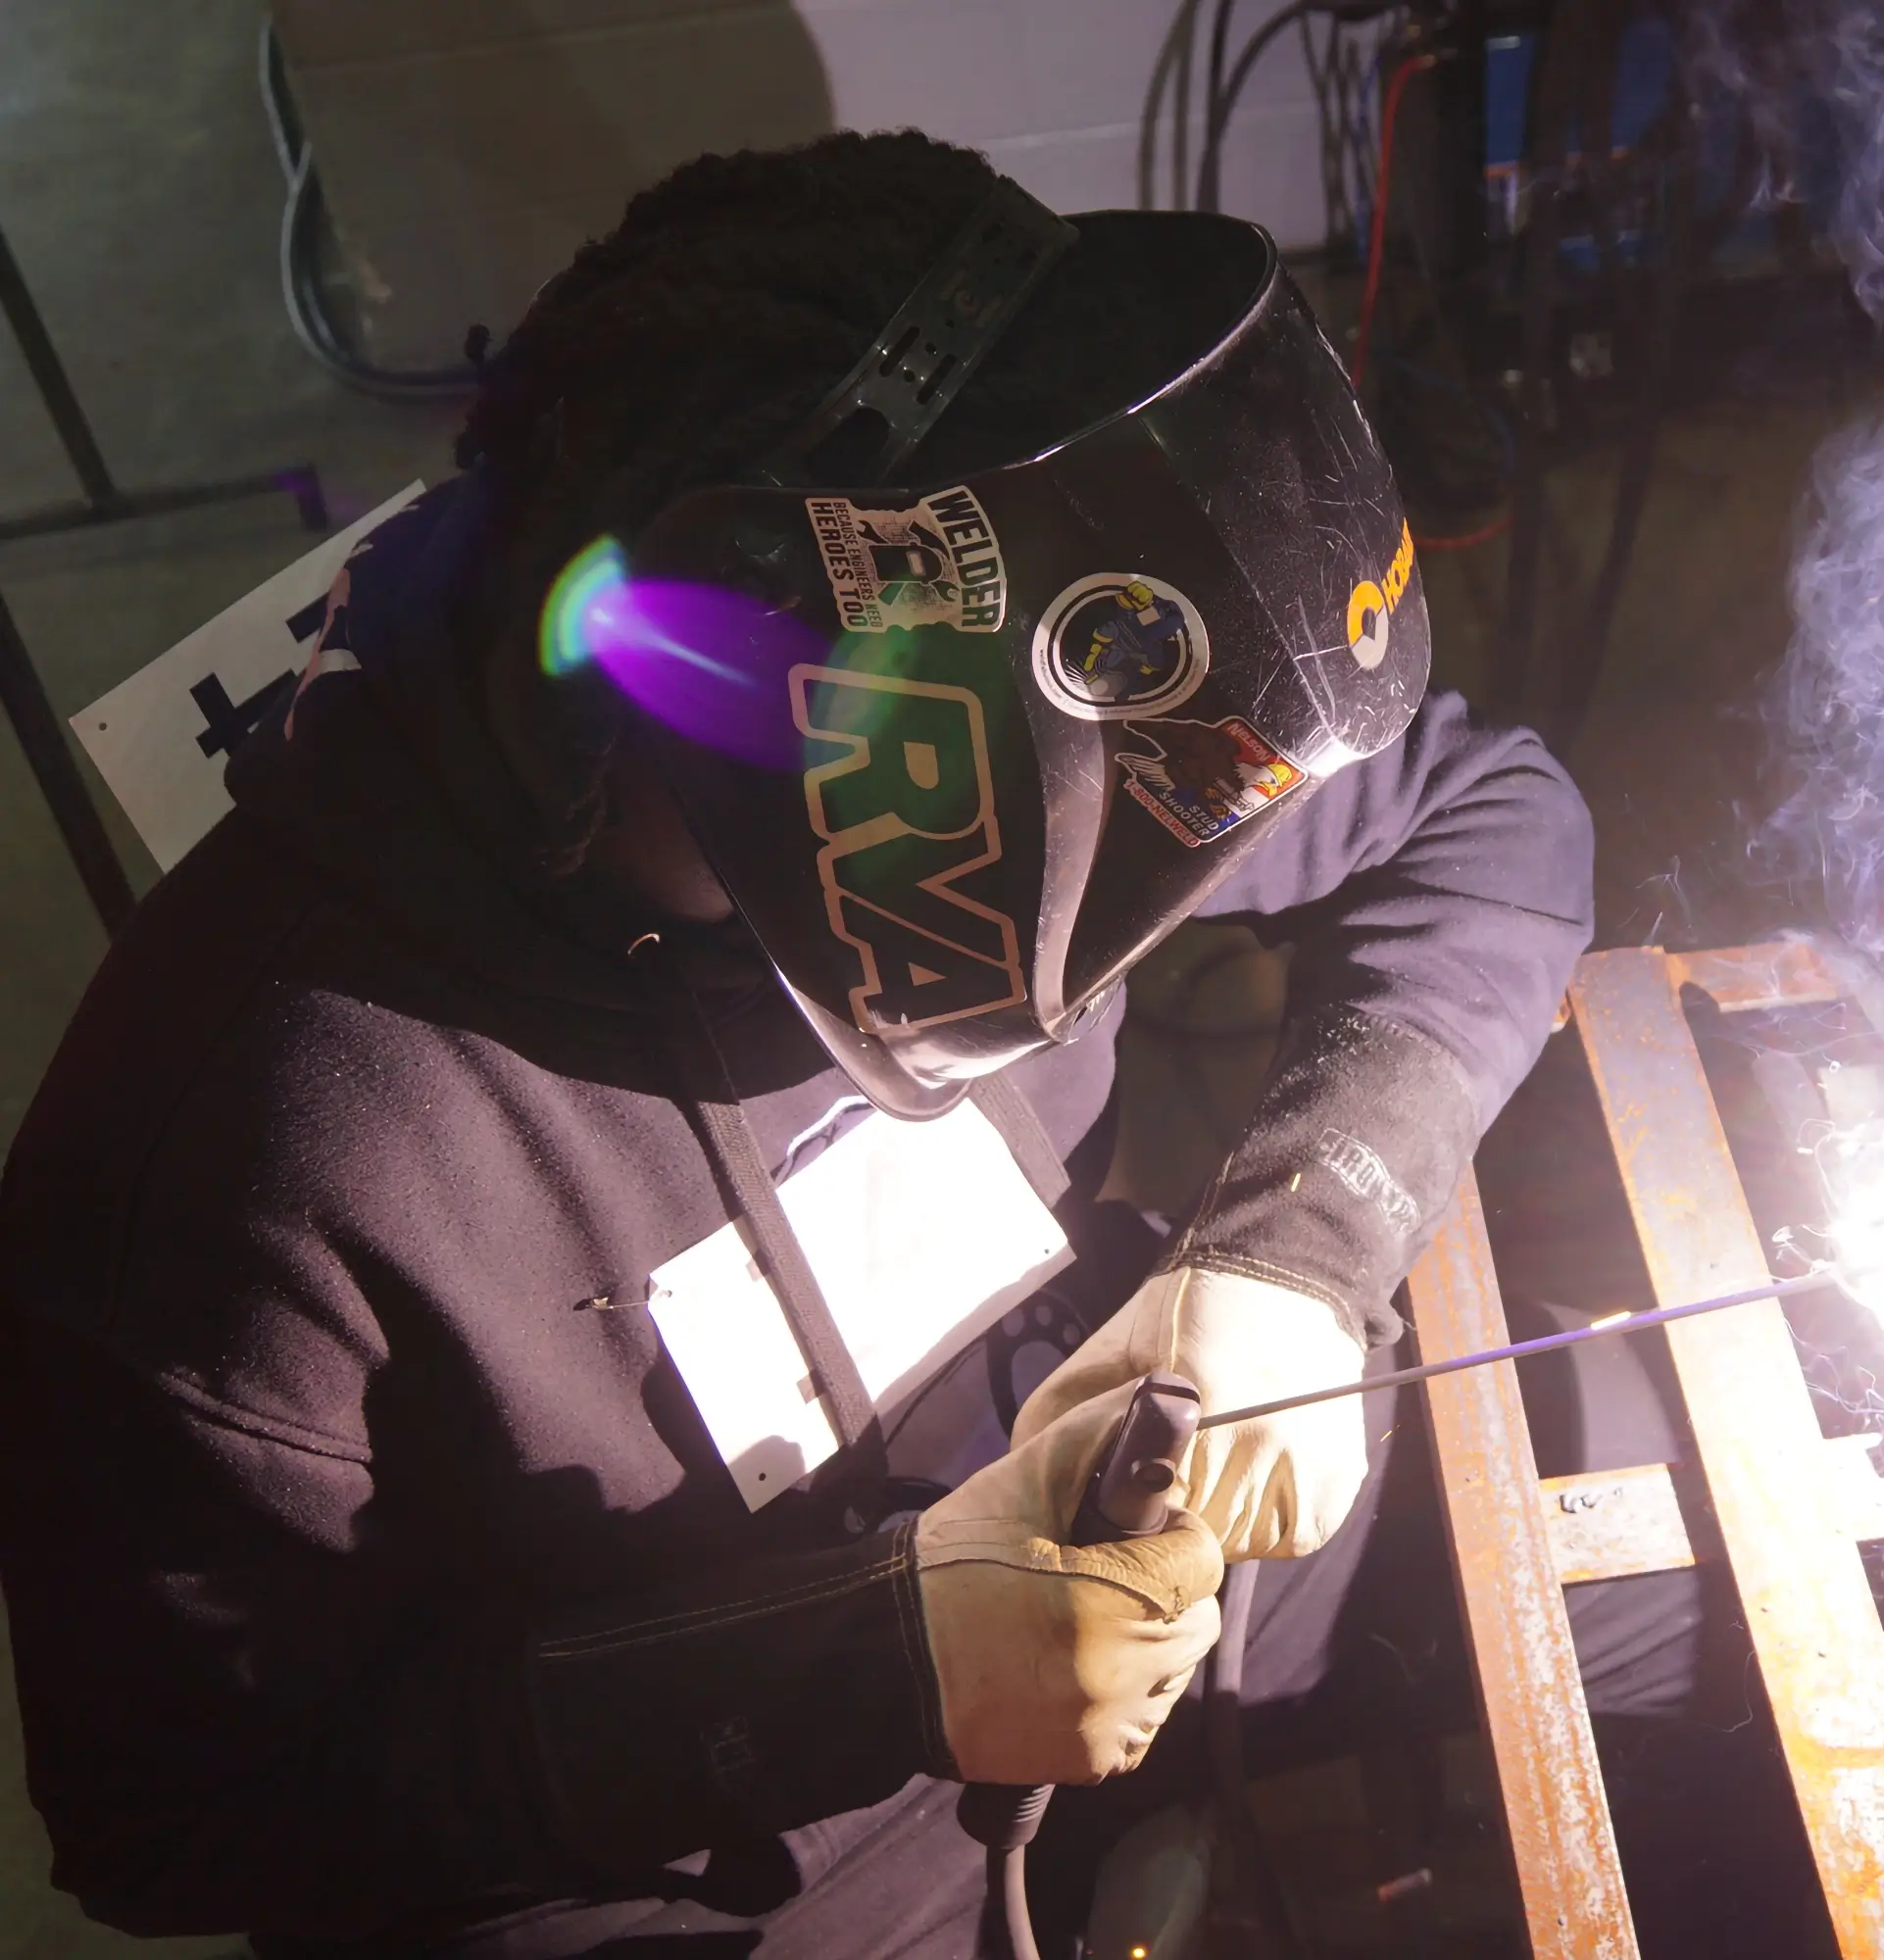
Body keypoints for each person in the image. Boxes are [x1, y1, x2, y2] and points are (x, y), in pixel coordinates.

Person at [0, 133, 1730, 1956]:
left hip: (1114, 1466)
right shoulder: (230, 1150)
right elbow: (179, 1818)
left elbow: (1485, 817)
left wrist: (1299, 1249)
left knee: (1728, 1533)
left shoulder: (1036, 721)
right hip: (724, 1856)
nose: (1119, 851)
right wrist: (868, 1667)